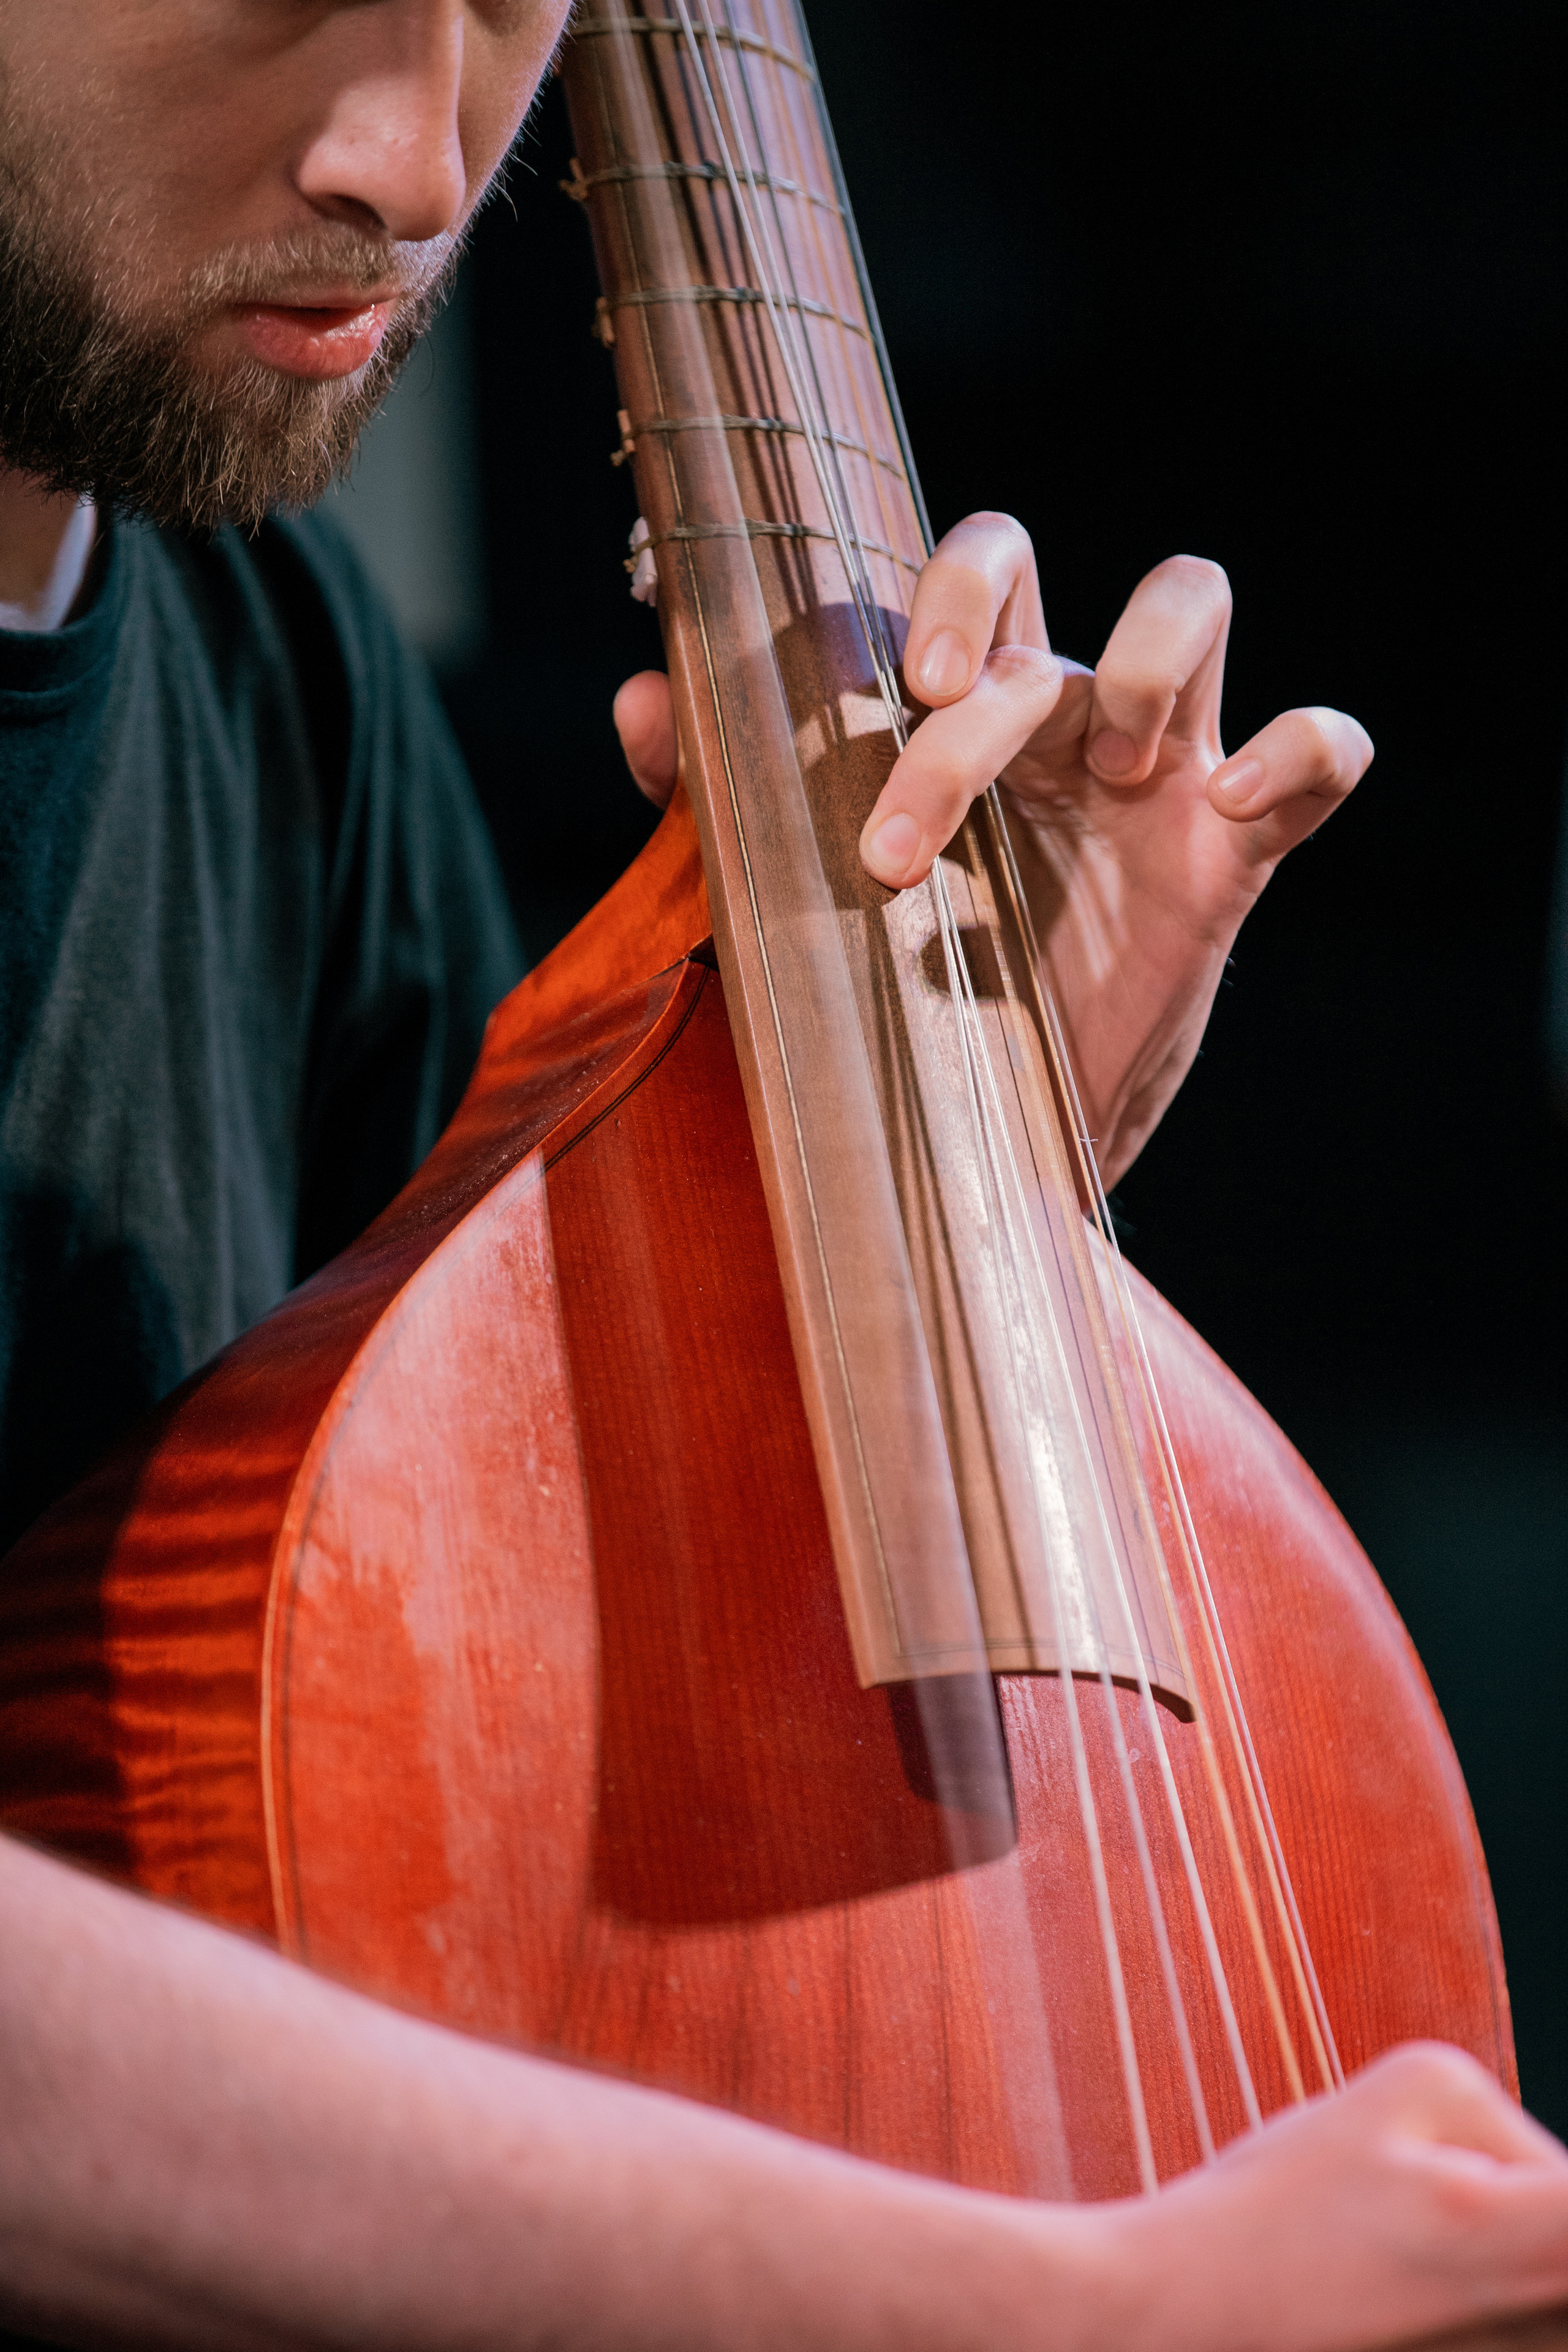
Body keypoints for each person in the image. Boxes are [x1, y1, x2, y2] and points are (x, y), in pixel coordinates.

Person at [1, 4, 1565, 2347]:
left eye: (512, 3)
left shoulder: (277, 669)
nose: (421, 165)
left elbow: (434, 1594)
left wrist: (946, 1173)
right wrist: (1060, 2308)